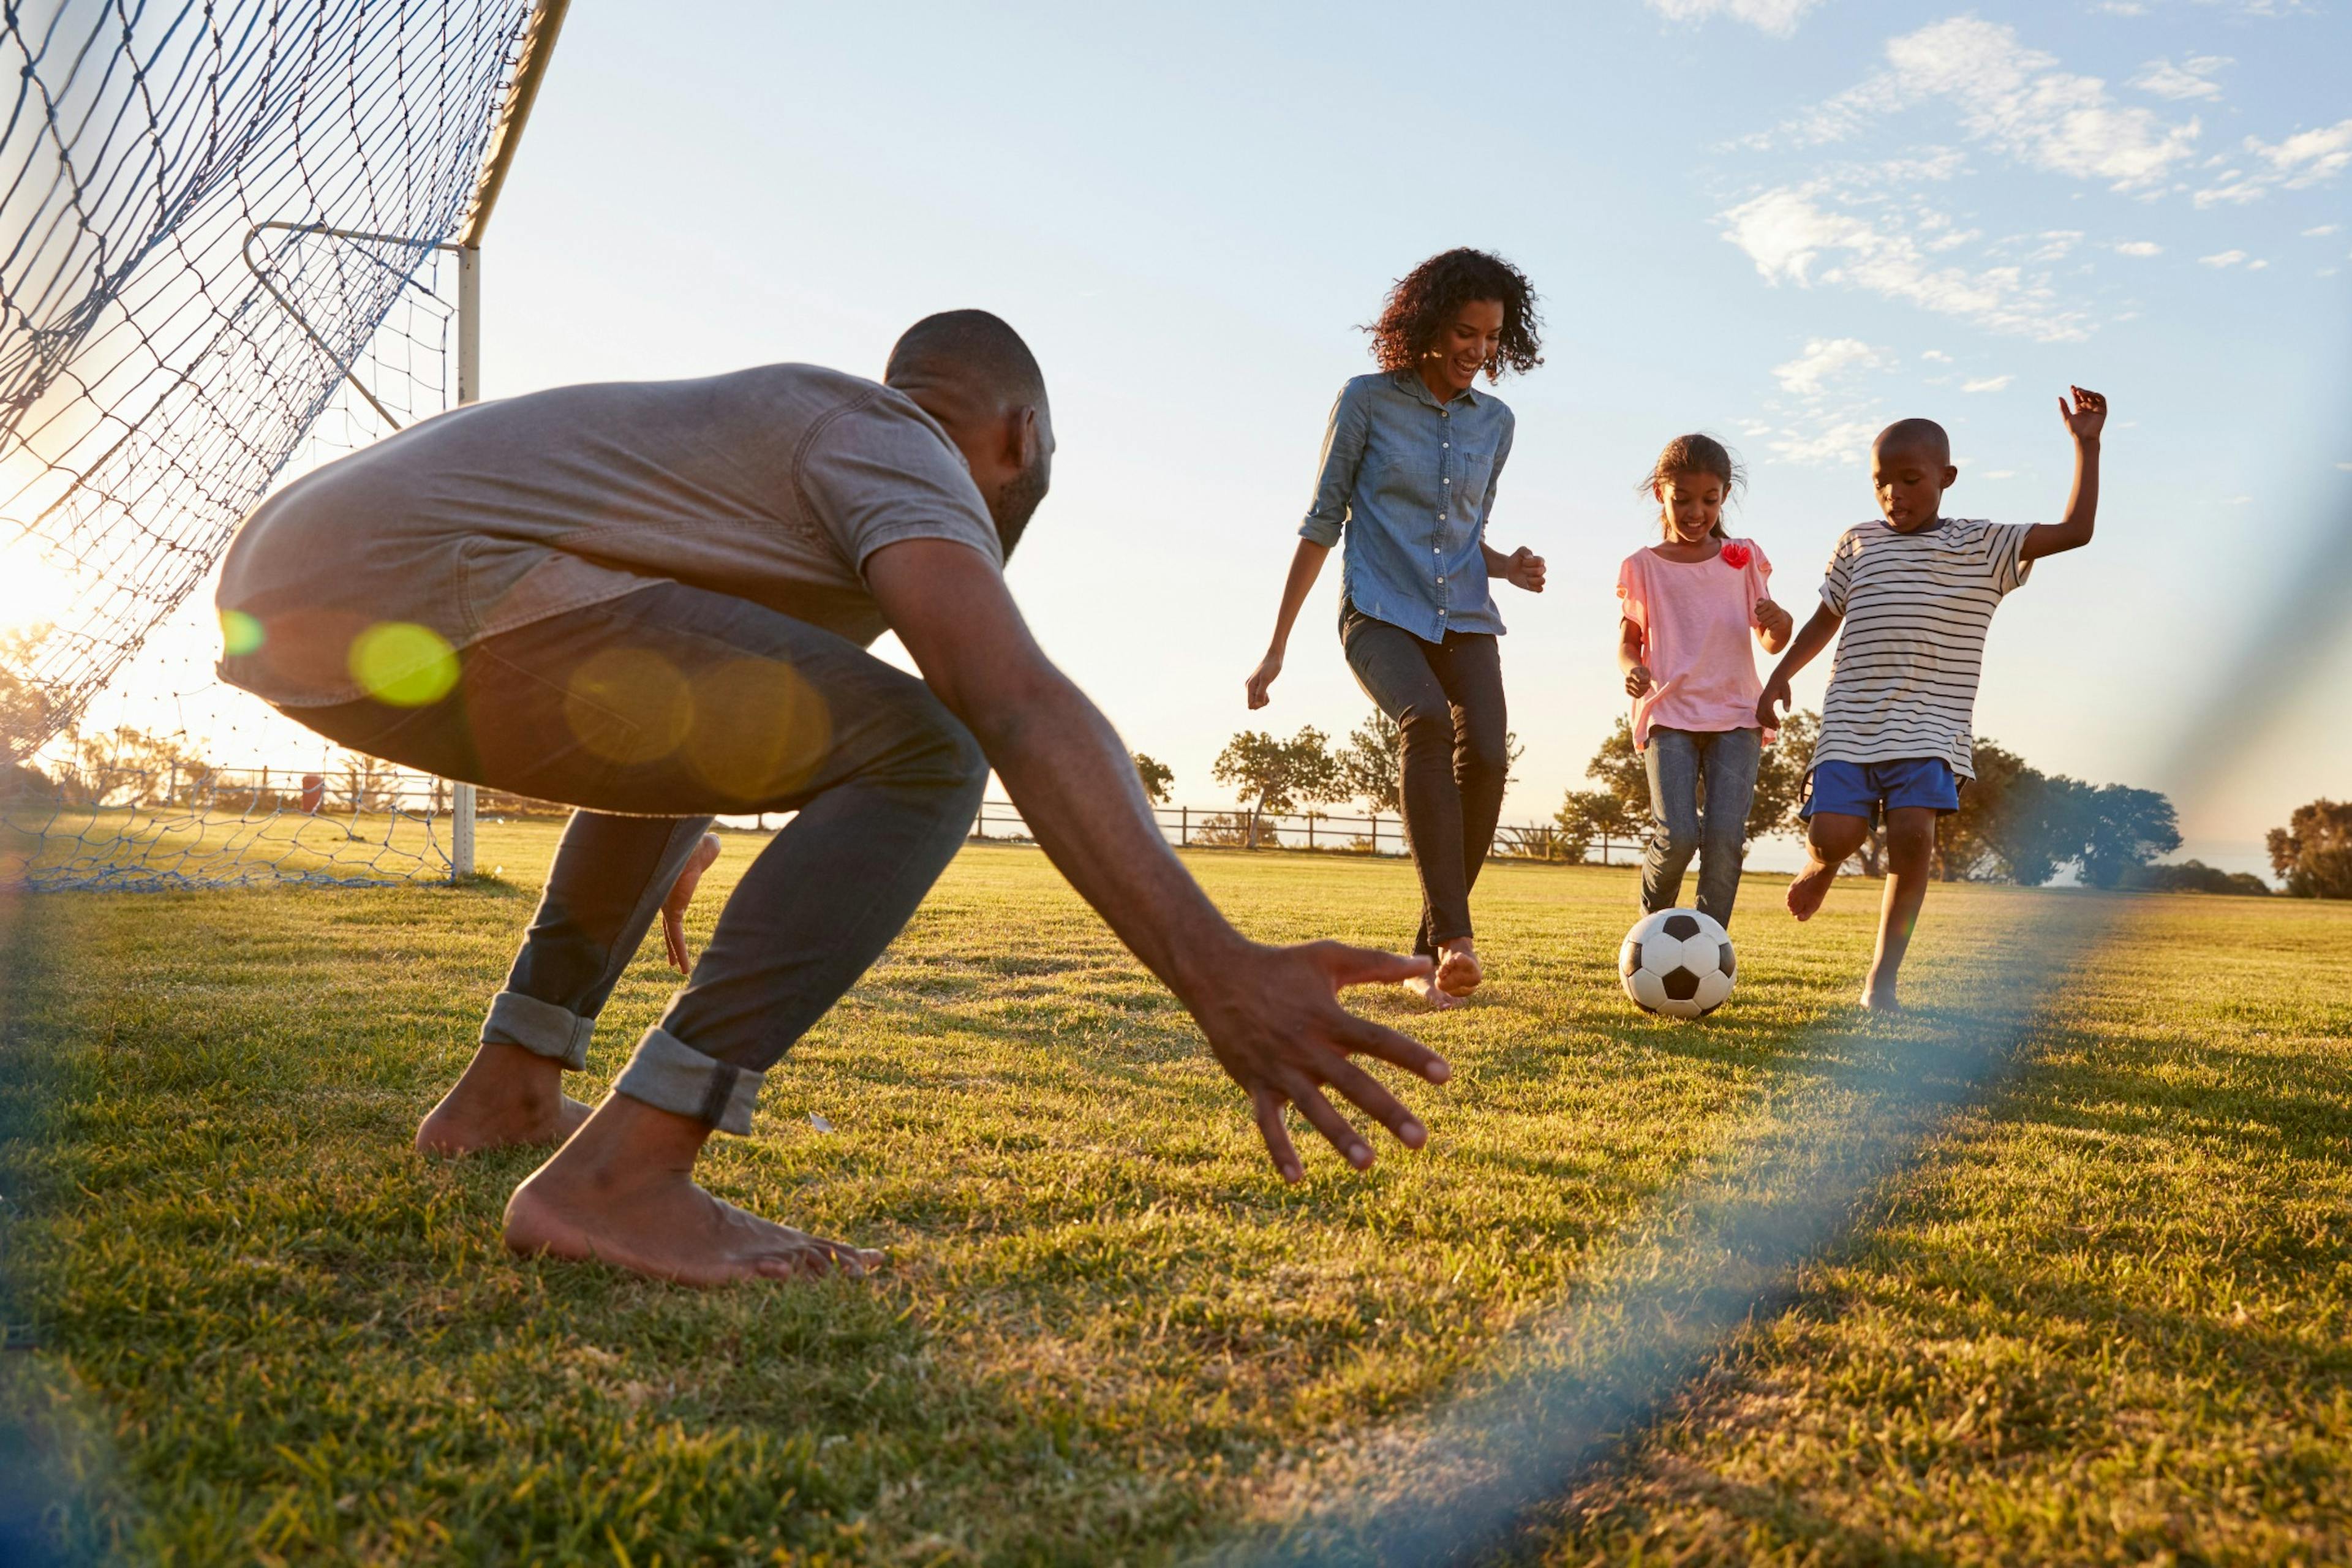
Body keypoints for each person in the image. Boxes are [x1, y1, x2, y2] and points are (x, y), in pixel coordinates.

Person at [215, 311, 1452, 1287]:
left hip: (308, 591)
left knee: (776, 732)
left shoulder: (796, 459)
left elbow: (678, 689)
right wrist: (1216, 968)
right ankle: (620, 1181)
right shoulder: (890, 437)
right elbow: (1007, 695)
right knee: (930, 749)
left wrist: (679, 797)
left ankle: (507, 1093)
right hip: (412, 577)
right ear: (1019, 435)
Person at [1243, 249, 1548, 1011]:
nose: (1478, 351)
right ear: (1425, 326)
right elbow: (1322, 522)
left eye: (1492, 337)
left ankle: (1428, 954)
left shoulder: (1497, 424)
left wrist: (1509, 564)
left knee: (1485, 753)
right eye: (1464, 333)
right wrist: (1277, 645)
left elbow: (1461, 533)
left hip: (1466, 616)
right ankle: (1457, 939)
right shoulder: (1366, 401)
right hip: (1378, 611)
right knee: (1426, 722)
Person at [1756, 389, 2108, 1009]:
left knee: (1914, 836)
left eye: (1910, 479)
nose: (1894, 493)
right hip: (1851, 723)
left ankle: (1882, 979)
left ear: (1946, 478)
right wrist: (1780, 675)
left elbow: (2077, 531)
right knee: (1833, 836)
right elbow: (1823, 618)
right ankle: (1821, 866)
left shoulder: (1983, 545)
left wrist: (2087, 445)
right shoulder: (1858, 542)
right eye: (1880, 482)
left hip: (1931, 728)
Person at [1615, 434, 1793, 927]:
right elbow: (1629, 643)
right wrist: (1634, 671)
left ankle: (1709, 944)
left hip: (1737, 714)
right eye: (1683, 500)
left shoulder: (1743, 558)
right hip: (1669, 713)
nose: (1696, 512)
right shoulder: (1643, 567)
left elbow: (1771, 641)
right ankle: (1651, 935)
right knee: (1678, 837)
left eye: (1709, 500)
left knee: (1723, 840)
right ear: (1660, 494)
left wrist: (1782, 623)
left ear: (1725, 494)